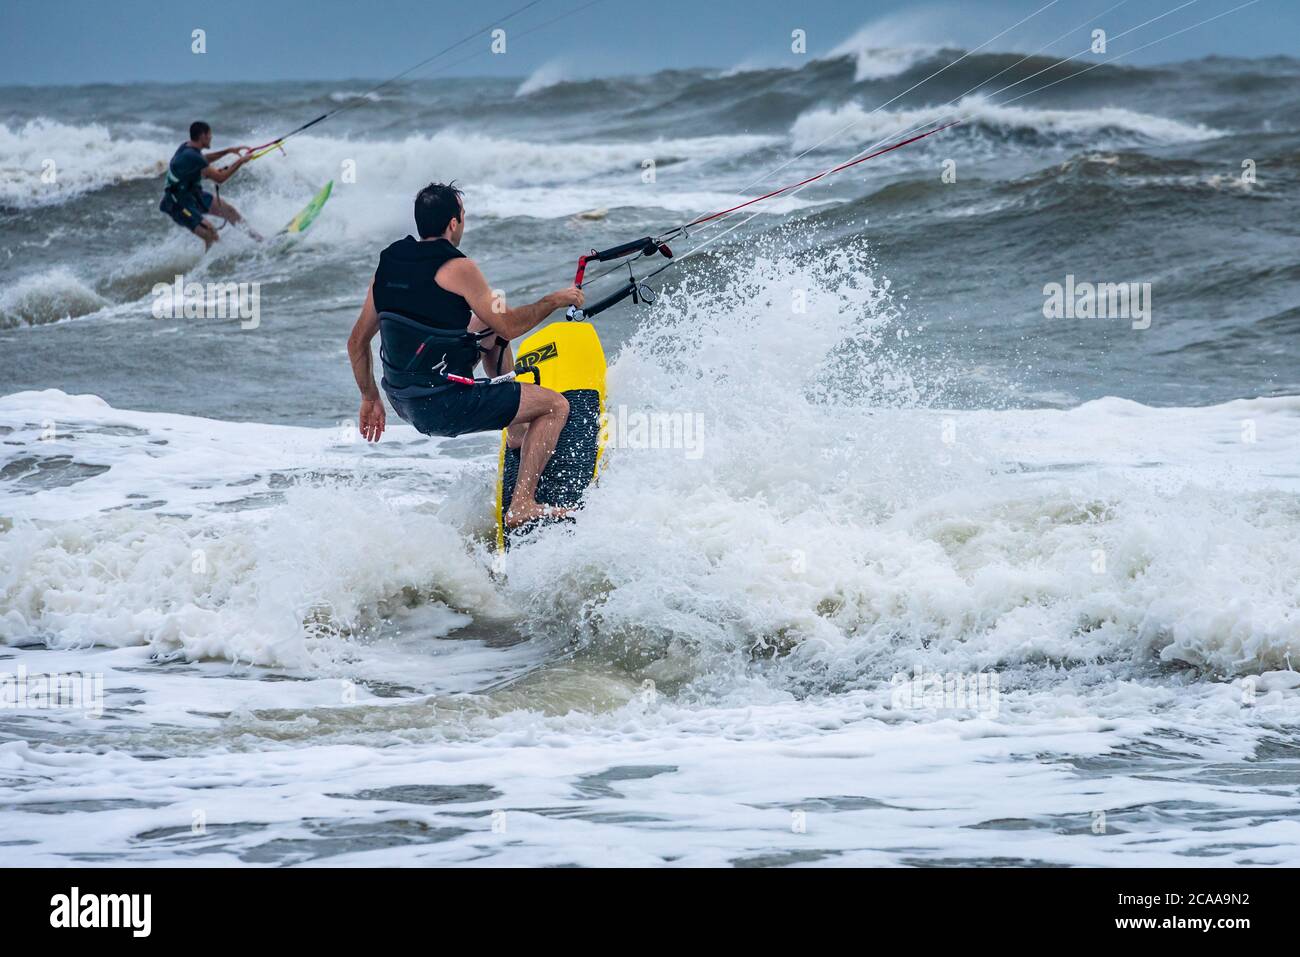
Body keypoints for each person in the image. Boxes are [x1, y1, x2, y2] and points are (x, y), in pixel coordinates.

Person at [347, 182, 584, 527]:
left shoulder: (390, 263)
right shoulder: (458, 267)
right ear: (454, 223)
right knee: (555, 405)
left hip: (402, 398)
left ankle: (517, 429)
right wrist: (554, 300)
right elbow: (508, 325)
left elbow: (356, 343)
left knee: (484, 332)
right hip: (443, 405)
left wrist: (370, 397)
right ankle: (523, 505)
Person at [159, 121, 258, 248]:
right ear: (202, 136)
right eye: (210, 134)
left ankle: (260, 240)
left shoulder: (188, 147)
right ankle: (207, 266)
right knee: (210, 233)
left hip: (192, 194)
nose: (211, 137)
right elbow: (220, 178)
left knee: (229, 211)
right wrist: (241, 161)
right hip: (178, 204)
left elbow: (204, 159)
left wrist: (228, 151)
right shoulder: (192, 156)